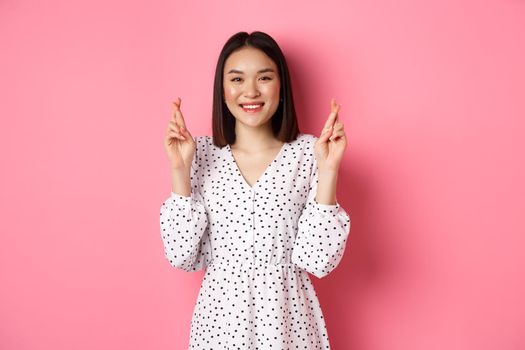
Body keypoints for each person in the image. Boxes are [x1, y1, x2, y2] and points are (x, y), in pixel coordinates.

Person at [160, 31, 351, 349]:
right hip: (220, 325)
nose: (250, 91)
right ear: (222, 90)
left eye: (264, 77)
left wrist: (329, 168)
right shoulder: (200, 153)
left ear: (281, 87)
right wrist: (179, 169)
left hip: (288, 322)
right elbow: (181, 255)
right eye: (237, 79)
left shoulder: (309, 153)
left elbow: (319, 260)